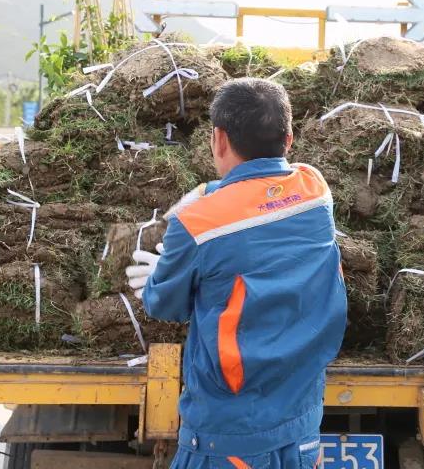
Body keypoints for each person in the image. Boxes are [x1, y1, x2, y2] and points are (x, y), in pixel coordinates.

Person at [126, 77, 347, 469]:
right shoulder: (316, 190)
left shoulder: (197, 224)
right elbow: (265, 195)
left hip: (228, 435)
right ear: (289, 139)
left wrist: (163, 272)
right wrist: (211, 190)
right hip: (301, 425)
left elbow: (164, 305)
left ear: (218, 139)